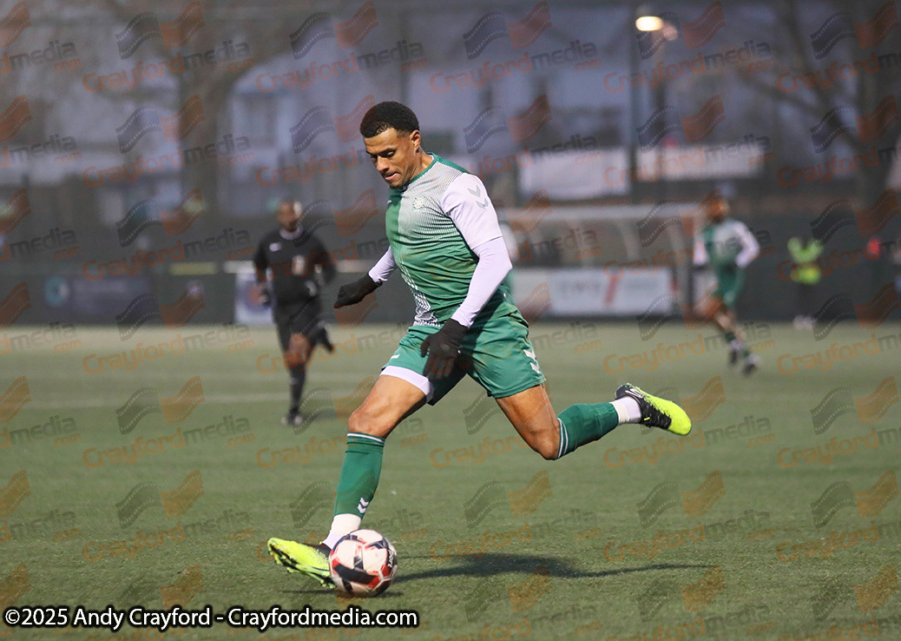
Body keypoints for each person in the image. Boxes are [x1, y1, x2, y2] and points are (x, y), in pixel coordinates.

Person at [266, 102, 692, 586]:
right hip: (432, 329)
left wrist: (460, 324)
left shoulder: (458, 187)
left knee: (548, 442)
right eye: (372, 157)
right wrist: (372, 279)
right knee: (366, 421)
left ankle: (632, 407)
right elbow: (409, 238)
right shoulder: (402, 187)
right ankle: (332, 547)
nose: (381, 165)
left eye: (387, 153)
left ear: (415, 139)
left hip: (488, 329)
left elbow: (495, 259)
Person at [254, 199, 336, 426]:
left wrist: (317, 283)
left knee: (296, 357)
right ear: (279, 217)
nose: (288, 218)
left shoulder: (311, 241)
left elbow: (330, 269)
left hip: (306, 306)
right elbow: (259, 266)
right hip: (281, 309)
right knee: (292, 361)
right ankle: (319, 334)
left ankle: (293, 412)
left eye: (292, 214)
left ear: (299, 216)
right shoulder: (269, 241)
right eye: (284, 214)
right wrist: (263, 289)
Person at [691, 194, 761, 374]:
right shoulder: (706, 233)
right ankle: (738, 347)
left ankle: (746, 353)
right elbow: (700, 255)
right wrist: (699, 262)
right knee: (720, 317)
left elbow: (752, 248)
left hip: (731, 276)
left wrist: (738, 261)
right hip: (718, 276)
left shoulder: (735, 228)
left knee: (716, 313)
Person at [787, 236, 823, 329]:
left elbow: (807, 257)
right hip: (799, 277)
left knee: (809, 299)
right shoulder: (796, 247)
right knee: (800, 299)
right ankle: (800, 317)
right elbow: (799, 257)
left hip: (811, 278)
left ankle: (809, 317)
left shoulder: (813, 248)